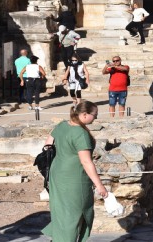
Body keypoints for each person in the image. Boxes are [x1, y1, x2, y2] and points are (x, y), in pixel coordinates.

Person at [41, 101, 108, 242]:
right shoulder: (80, 134)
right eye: (94, 115)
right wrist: (99, 185)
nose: (96, 118)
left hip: (57, 174)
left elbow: (47, 145)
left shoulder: (62, 125)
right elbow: (86, 162)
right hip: (74, 179)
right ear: (84, 114)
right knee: (76, 215)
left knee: (61, 212)